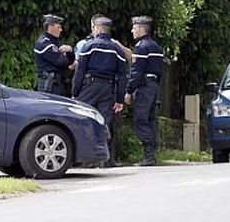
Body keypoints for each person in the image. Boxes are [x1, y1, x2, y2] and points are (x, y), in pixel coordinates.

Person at [72, 16, 126, 167]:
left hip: (89, 86)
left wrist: (75, 92)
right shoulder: (117, 51)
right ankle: (105, 159)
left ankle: (83, 159)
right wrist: (120, 99)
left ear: (98, 28)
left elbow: (80, 71)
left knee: (83, 119)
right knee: (105, 122)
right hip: (108, 89)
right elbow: (122, 76)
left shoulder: (89, 46)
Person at [124, 16, 164, 166]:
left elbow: (136, 72)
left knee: (140, 119)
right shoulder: (156, 47)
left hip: (144, 86)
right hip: (153, 85)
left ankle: (148, 156)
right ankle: (152, 154)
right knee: (150, 120)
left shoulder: (141, 47)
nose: (132, 30)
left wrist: (129, 91)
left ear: (141, 29)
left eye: (134, 28)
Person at [33, 14, 75, 96]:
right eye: (58, 27)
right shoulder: (44, 43)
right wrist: (65, 57)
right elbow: (61, 62)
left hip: (57, 84)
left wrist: (70, 50)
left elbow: (70, 62)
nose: (61, 30)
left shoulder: (54, 42)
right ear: (50, 27)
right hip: (48, 85)